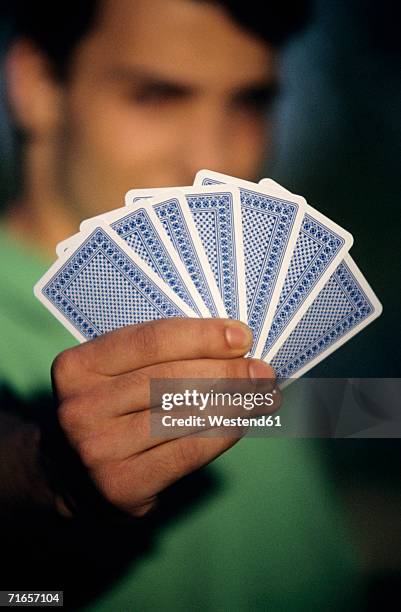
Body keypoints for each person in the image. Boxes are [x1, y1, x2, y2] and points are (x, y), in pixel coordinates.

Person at [0, 1, 364, 609]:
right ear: (35, 82)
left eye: (250, 101)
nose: (214, 157)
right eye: (156, 95)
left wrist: (383, 409)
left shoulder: (264, 312)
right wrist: (50, 469)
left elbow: (318, 417)